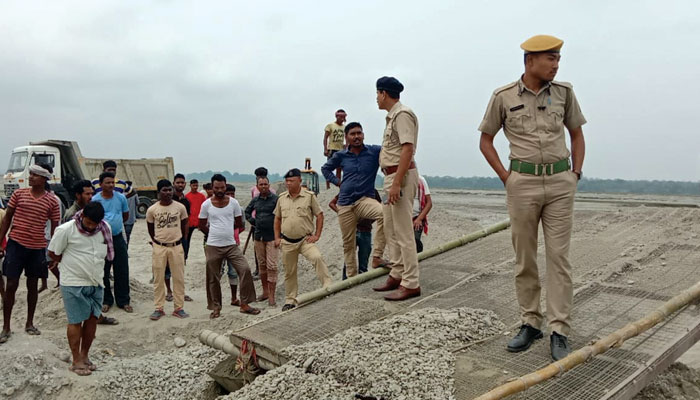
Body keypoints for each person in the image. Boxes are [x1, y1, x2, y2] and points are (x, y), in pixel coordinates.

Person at [478, 34, 586, 361]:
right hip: (521, 182)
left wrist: (575, 173)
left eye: (557, 59)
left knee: (559, 258)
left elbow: (577, 133)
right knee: (524, 257)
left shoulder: (564, 93)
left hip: (559, 182)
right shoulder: (503, 97)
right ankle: (530, 322)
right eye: (550, 58)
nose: (555, 64)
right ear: (530, 61)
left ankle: (559, 329)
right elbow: (486, 140)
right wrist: (507, 178)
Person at [48, 202, 112, 376]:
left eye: (94, 224)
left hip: (96, 282)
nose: (91, 227)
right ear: (82, 216)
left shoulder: (104, 229)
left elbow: (107, 254)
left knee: (92, 319)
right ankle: (76, 359)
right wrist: (73, 264)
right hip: (73, 282)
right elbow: (53, 253)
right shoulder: (66, 230)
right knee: (76, 320)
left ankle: (85, 355)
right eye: (89, 223)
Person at [373, 76, 421, 301]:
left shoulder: (402, 115)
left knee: (403, 232)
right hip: (391, 176)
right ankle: (398, 272)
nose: (376, 98)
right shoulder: (392, 117)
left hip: (399, 176)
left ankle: (411, 282)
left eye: (377, 94)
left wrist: (397, 182)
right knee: (391, 229)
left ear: (383, 93)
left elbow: (407, 149)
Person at [0, 164, 61, 342]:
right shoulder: (19, 194)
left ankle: (29, 323)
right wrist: (1, 243)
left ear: (44, 179)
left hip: (37, 247)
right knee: (11, 285)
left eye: (35, 175)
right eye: (31, 174)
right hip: (16, 244)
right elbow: (8, 218)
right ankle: (6, 326)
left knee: (32, 286)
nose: (31, 177)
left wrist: (53, 251)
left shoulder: (52, 201)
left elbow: (55, 227)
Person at [322, 121, 387, 279]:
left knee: (385, 214)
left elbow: (390, 152)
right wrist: (338, 182)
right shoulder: (341, 155)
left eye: (359, 133)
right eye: (353, 134)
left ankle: (377, 256)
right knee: (348, 245)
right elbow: (325, 168)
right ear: (347, 137)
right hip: (345, 204)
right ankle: (351, 279)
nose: (356, 136)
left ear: (363, 135)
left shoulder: (373, 151)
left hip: (364, 200)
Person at [198, 174, 259, 318]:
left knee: (244, 269)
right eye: (216, 187)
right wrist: (213, 232)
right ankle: (216, 307)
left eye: (222, 187)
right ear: (212, 188)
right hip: (213, 245)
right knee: (213, 277)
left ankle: (244, 304)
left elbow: (238, 223)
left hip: (231, 245)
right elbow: (201, 225)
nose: (220, 190)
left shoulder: (233, 203)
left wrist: (226, 231)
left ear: (226, 186)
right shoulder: (206, 204)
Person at [274, 168, 333, 311]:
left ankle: (328, 287)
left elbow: (319, 215)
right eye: (287, 181)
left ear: (300, 181)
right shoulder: (282, 198)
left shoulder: (309, 196)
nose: (288, 183)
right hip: (287, 242)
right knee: (290, 272)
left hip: (305, 240)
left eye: (291, 181)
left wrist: (317, 235)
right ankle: (290, 300)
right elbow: (277, 218)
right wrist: (277, 237)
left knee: (317, 257)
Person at [62, 180, 118, 326]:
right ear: (78, 195)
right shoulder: (71, 215)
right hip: (79, 267)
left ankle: (97, 315)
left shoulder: (94, 210)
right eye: (87, 194)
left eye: (92, 193)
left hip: (95, 259)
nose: (90, 196)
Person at [146, 180, 189, 320]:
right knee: (158, 278)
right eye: (164, 190)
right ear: (159, 192)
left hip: (176, 246)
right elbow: (151, 229)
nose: (168, 193)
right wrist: (157, 242)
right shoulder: (152, 210)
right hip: (159, 247)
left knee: (179, 277)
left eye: (170, 190)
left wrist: (181, 240)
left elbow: (184, 225)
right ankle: (159, 308)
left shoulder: (180, 207)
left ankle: (179, 308)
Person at [92, 172, 132, 313]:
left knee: (122, 269)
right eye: (107, 183)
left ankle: (123, 301)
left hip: (117, 237)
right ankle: (106, 300)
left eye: (112, 183)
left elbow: (125, 215)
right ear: (101, 184)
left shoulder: (120, 197)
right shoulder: (95, 199)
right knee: (103, 270)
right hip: (101, 240)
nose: (110, 185)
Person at [329, 189, 382, 280]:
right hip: (352, 230)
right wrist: (344, 215)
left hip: (366, 230)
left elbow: (381, 209)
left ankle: (360, 286)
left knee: (363, 263)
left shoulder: (372, 191)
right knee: (349, 260)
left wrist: (369, 220)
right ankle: (346, 284)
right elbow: (332, 203)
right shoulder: (350, 188)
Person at [245, 176, 279, 306]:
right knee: (262, 266)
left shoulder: (276, 200)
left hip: (272, 237)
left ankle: (272, 296)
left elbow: (281, 215)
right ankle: (265, 292)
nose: (263, 186)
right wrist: (253, 222)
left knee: (272, 266)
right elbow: (247, 212)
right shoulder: (255, 200)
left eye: (265, 184)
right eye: (261, 184)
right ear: (257, 186)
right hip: (258, 237)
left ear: (269, 185)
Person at [248, 167, 276, 279]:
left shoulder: (273, 194)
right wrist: (253, 220)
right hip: (257, 222)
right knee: (257, 248)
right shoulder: (253, 190)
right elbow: (250, 207)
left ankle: (267, 272)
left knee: (270, 248)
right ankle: (258, 269)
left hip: (269, 224)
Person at [223, 184, 242, 306]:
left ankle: (234, 298)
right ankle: (215, 299)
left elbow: (241, 225)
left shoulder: (237, 208)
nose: (230, 196)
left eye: (232, 194)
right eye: (228, 194)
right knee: (217, 272)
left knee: (233, 272)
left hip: (233, 245)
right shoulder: (216, 207)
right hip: (218, 245)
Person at [323, 109, 347, 189]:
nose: (342, 119)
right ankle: (328, 186)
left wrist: (346, 146)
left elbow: (346, 138)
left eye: (343, 117)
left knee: (339, 168)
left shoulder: (344, 127)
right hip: (332, 149)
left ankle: (338, 185)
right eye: (341, 117)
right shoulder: (330, 126)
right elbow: (325, 137)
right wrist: (325, 149)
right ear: (337, 117)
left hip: (340, 150)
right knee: (329, 167)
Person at [413, 175, 432, 253]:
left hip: (416, 217)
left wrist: (419, 219)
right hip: (401, 219)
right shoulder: (395, 179)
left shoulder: (420, 180)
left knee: (415, 242)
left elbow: (429, 203)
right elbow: (386, 197)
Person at [185, 179, 206, 243]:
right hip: (190, 221)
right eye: (193, 185)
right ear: (190, 185)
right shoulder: (186, 196)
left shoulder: (201, 196)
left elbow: (205, 208)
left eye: (196, 186)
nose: (195, 187)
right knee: (187, 240)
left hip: (199, 220)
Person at [123, 181, 138, 246]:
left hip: (122, 218)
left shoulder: (121, 194)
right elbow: (138, 203)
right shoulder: (134, 194)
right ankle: (126, 250)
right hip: (131, 218)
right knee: (127, 235)